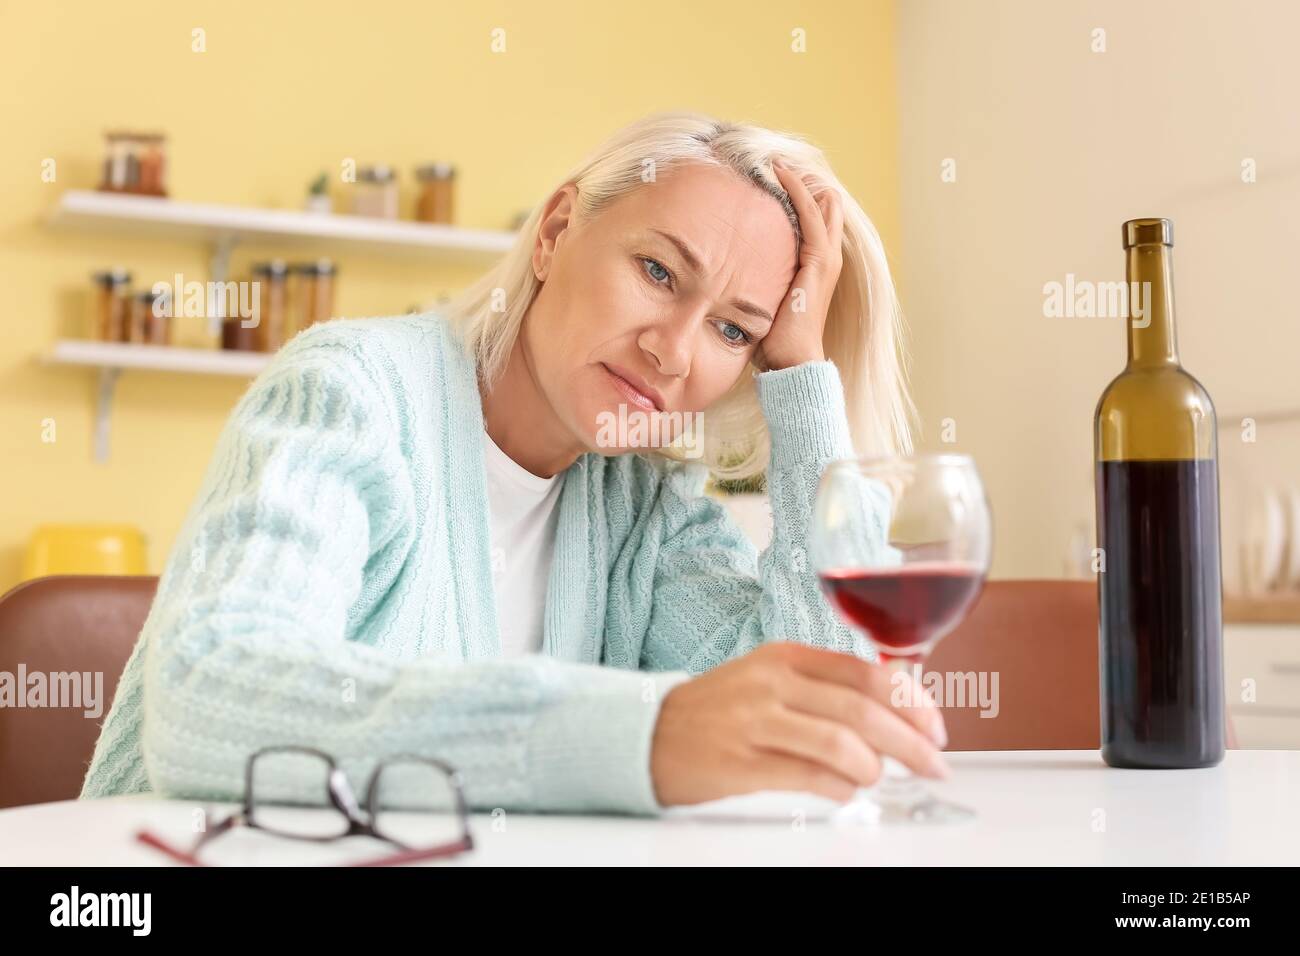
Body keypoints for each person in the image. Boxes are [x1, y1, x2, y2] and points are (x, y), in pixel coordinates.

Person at [80, 111, 948, 815]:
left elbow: (816, 721)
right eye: (657, 270)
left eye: (734, 330)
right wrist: (639, 733)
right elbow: (209, 698)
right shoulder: (354, 392)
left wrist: (801, 381)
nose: (674, 351)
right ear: (557, 231)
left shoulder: (648, 505)